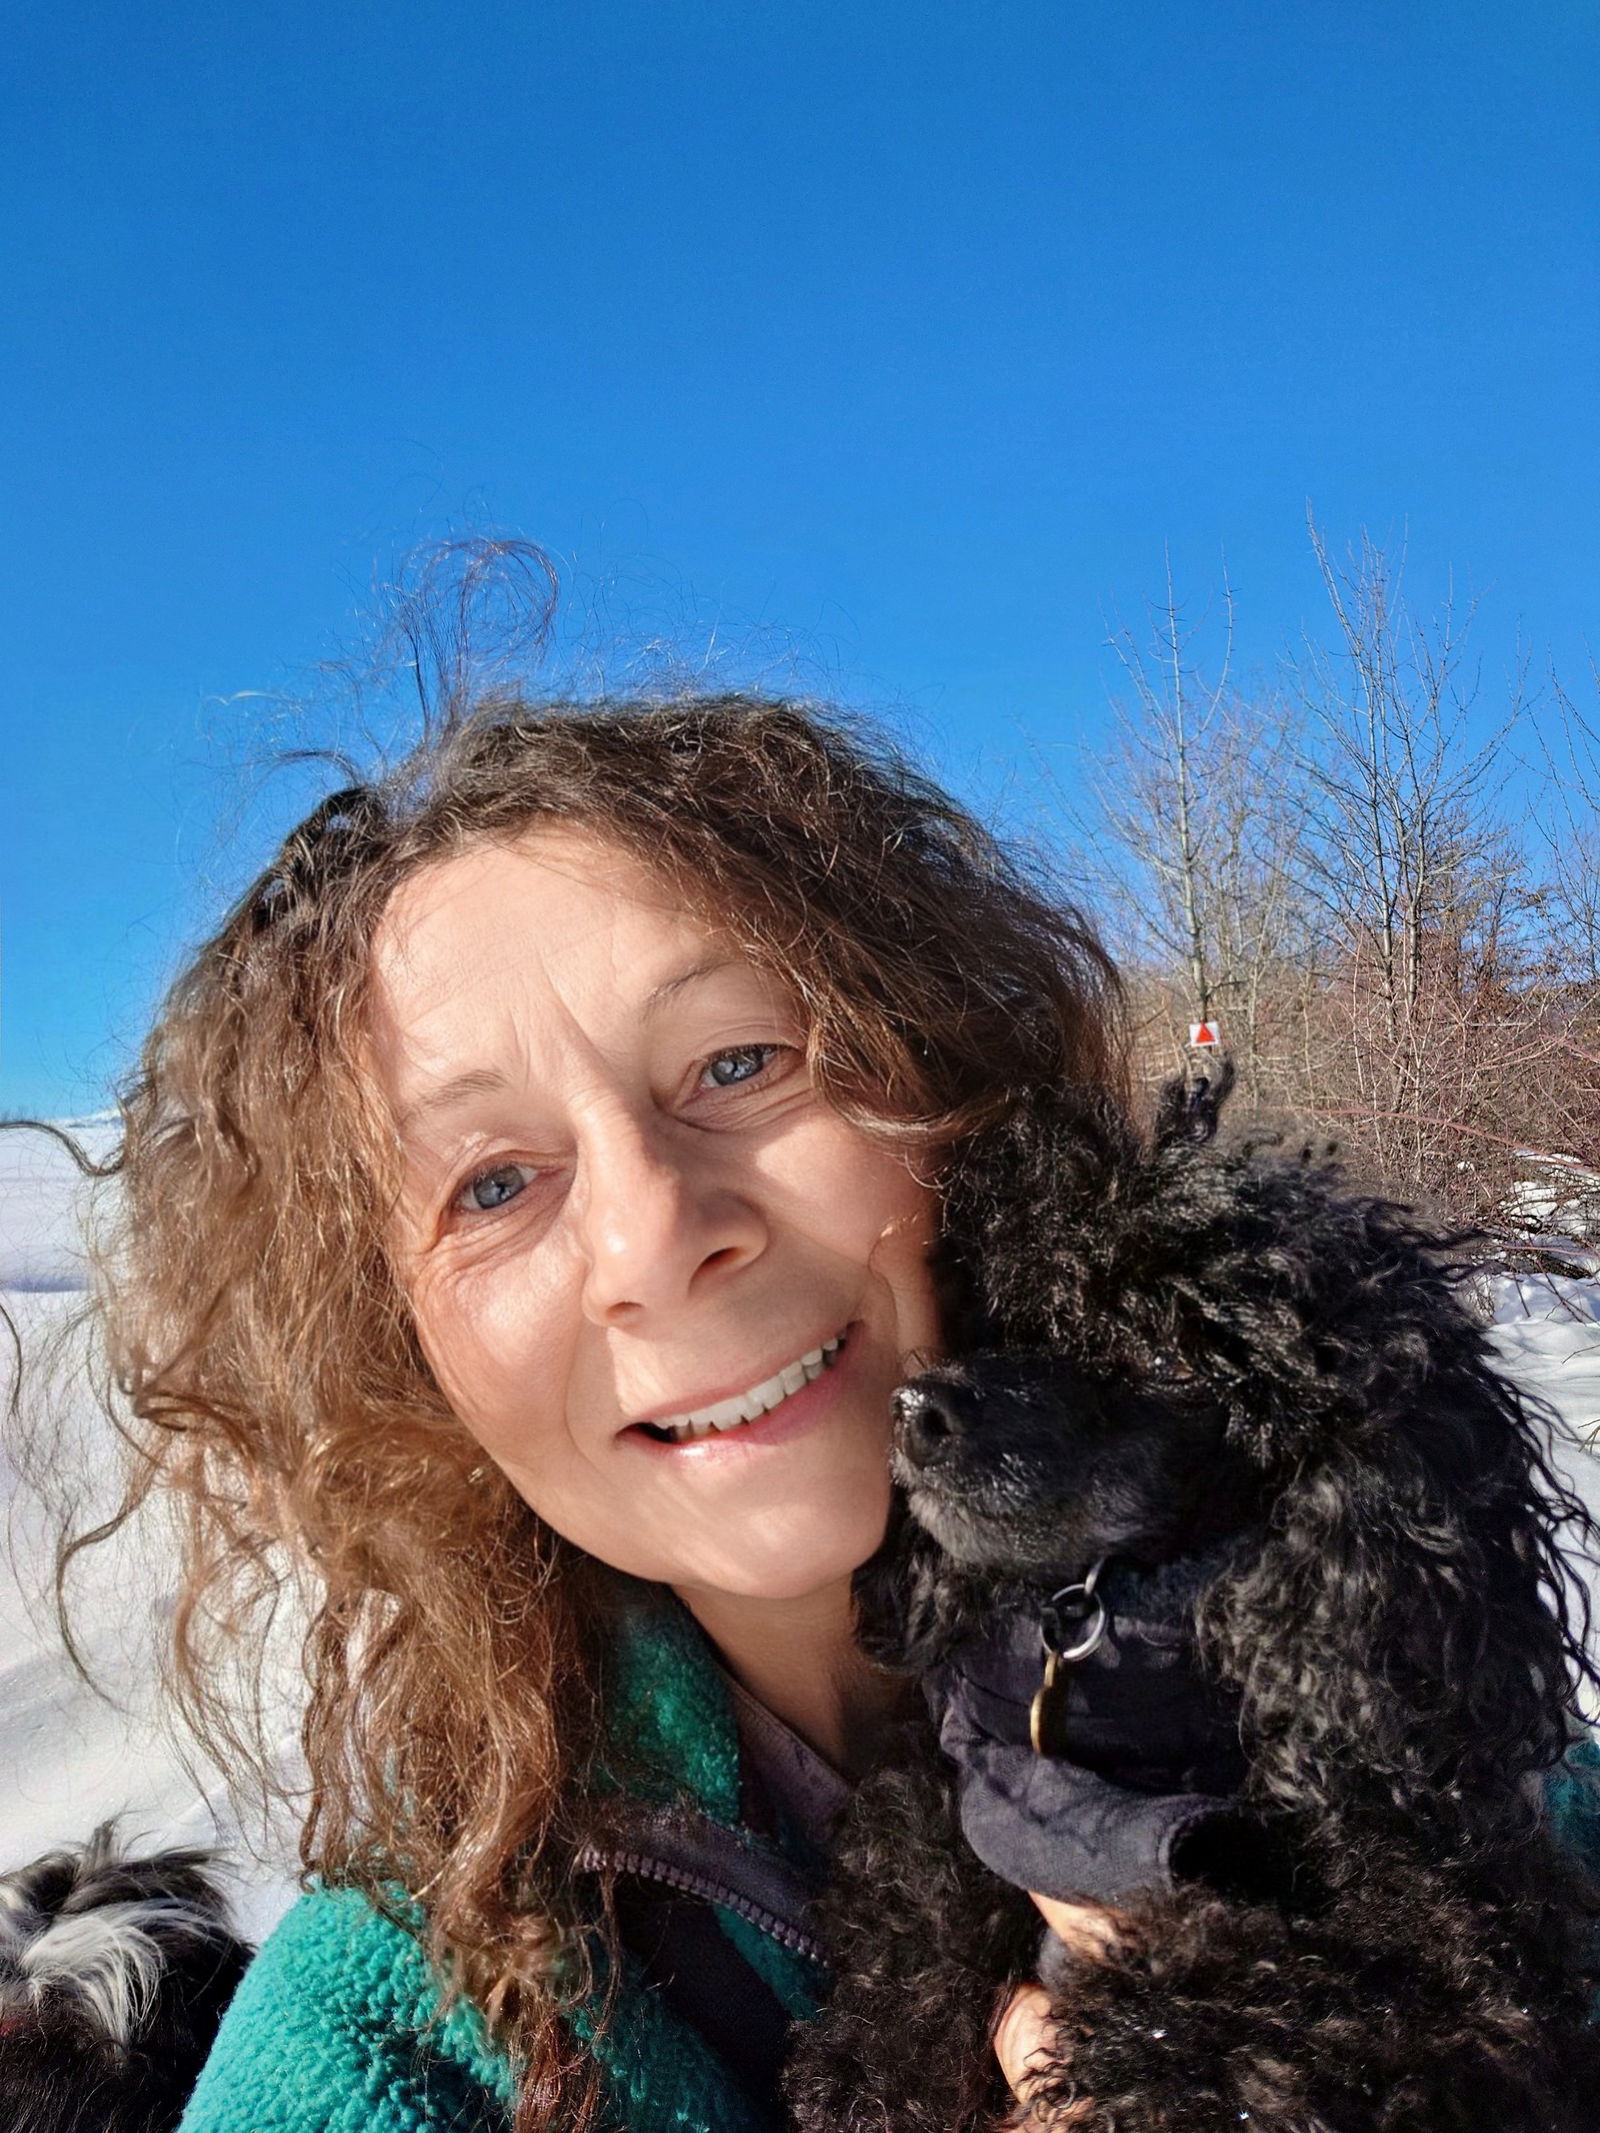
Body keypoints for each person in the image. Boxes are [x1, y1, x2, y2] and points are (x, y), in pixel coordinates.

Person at [87, 679, 1127, 2130]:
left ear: (944, 1082)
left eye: (738, 1063)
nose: (653, 1237)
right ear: (403, 1363)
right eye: (493, 1184)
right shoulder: (399, 2026)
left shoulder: (1396, 1648)